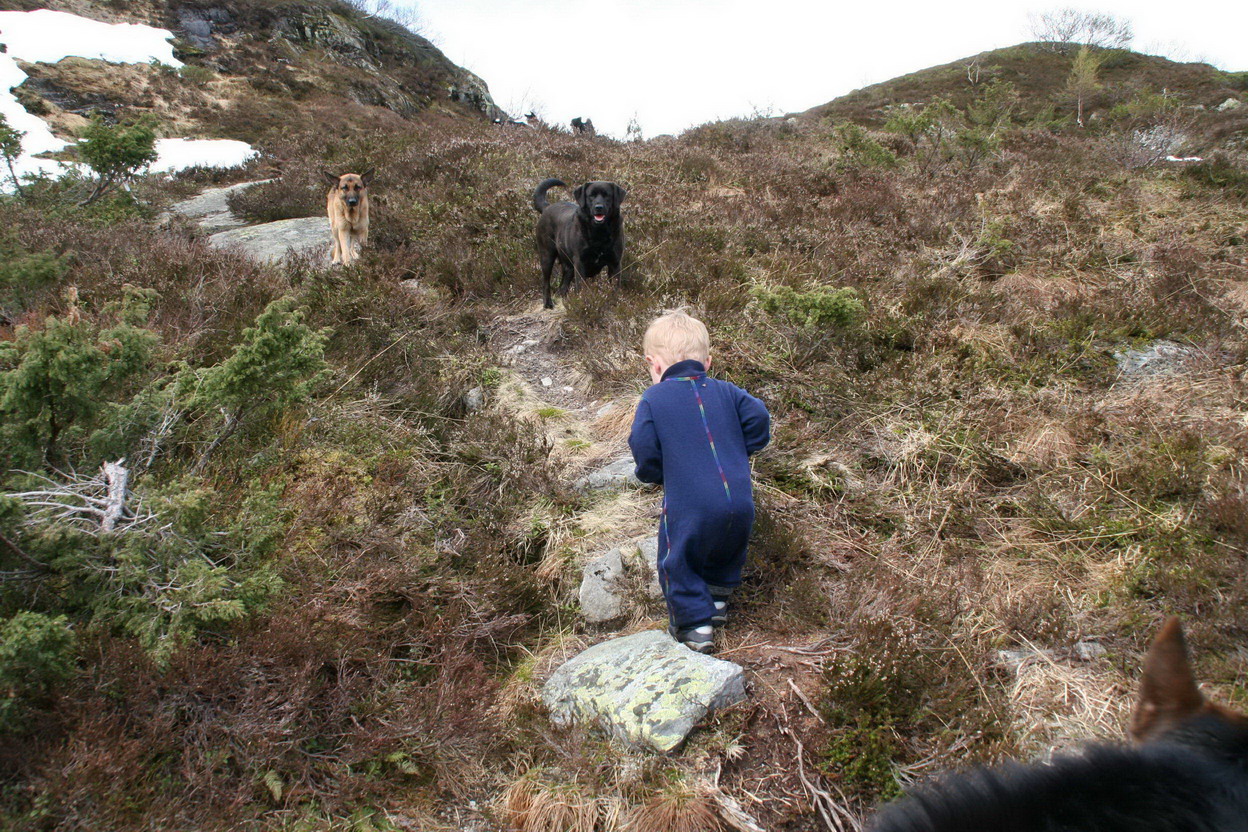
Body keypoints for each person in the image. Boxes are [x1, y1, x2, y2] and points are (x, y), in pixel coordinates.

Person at [628, 311, 770, 653]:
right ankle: (717, 602)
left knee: (677, 559)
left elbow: (643, 445)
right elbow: (760, 418)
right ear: (707, 362)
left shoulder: (653, 399)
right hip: (740, 501)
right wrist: (739, 449)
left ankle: (695, 625)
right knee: (726, 548)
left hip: (690, 504)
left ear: (654, 364)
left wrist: (653, 473)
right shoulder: (728, 391)